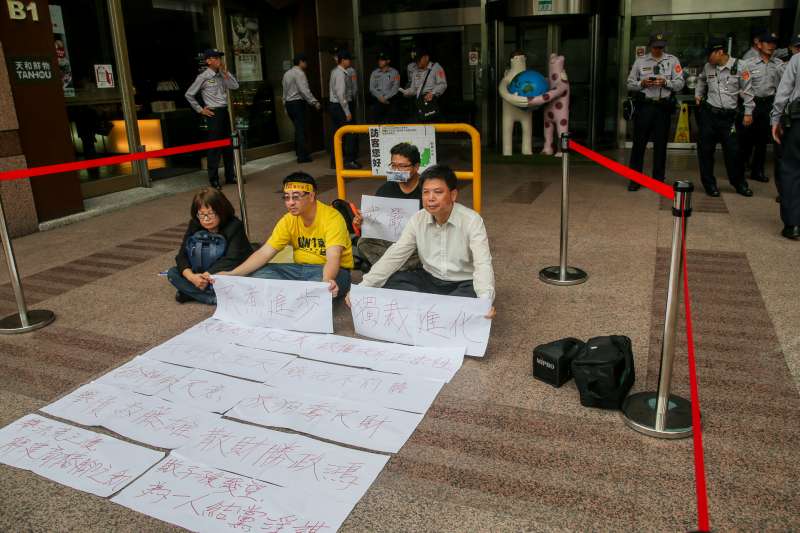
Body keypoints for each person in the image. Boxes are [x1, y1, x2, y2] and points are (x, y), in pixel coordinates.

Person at [348, 165, 495, 318]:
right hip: (429, 280)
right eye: (426, 192)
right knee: (388, 281)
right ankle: (440, 308)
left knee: (471, 299)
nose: (430, 198)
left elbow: (482, 263)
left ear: (453, 195)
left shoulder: (472, 221)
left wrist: (485, 300)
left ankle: (434, 307)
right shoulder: (418, 218)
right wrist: (363, 288)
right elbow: (395, 254)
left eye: (438, 192)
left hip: (463, 283)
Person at [213, 172, 353, 296]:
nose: (290, 203)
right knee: (258, 273)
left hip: (331, 271)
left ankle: (292, 294)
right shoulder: (288, 220)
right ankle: (296, 294)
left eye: (296, 197)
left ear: (311, 196)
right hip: (298, 270)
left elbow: (333, 257)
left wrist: (325, 283)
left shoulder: (332, 218)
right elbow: (265, 252)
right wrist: (232, 274)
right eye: (286, 197)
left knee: (321, 285)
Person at [694, 37, 755, 197]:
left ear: (720, 52)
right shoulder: (708, 67)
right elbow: (701, 80)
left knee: (733, 152)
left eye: (710, 54)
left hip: (729, 118)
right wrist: (698, 95)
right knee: (705, 151)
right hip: (709, 115)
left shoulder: (740, 66)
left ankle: (739, 184)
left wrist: (748, 112)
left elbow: (748, 91)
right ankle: (709, 185)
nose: (708, 58)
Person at [168, 188, 251, 304]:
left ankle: (192, 293)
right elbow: (182, 255)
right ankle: (211, 297)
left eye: (210, 213)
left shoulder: (234, 225)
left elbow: (232, 259)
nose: (206, 219)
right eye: (201, 215)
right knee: (173, 273)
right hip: (200, 272)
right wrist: (192, 277)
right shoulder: (195, 224)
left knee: (237, 278)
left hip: (222, 272)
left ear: (221, 211)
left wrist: (206, 276)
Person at [625, 32, 685, 191]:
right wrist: (642, 83)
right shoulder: (640, 61)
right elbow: (629, 84)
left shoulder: (672, 60)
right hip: (645, 106)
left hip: (663, 107)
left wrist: (666, 82)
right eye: (656, 47)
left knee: (660, 145)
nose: (659, 49)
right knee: (639, 144)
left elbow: (680, 84)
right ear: (650, 46)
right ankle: (635, 179)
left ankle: (658, 179)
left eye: (661, 47)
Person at [352, 142, 423, 270]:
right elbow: (376, 224)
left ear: (416, 167)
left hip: (416, 243)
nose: (397, 170)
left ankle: (386, 268)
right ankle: (397, 267)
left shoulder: (427, 189)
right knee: (363, 243)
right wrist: (362, 222)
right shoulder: (386, 189)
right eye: (393, 166)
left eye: (402, 166)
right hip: (390, 242)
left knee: (425, 251)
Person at [186, 49, 240, 190]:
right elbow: (189, 94)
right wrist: (200, 109)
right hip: (213, 114)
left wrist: (225, 72)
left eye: (219, 58)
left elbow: (235, 86)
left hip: (224, 112)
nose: (218, 60)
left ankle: (230, 176)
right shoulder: (203, 77)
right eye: (215, 58)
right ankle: (214, 180)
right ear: (208, 61)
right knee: (214, 148)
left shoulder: (222, 74)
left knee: (228, 146)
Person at [739, 31, 784, 185]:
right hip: (752, 103)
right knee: (746, 138)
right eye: (767, 42)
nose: (771, 46)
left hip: (768, 104)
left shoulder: (778, 64)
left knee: (762, 140)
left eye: (773, 43)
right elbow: (742, 86)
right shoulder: (748, 64)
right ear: (759, 44)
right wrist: (747, 106)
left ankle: (757, 171)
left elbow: (782, 87)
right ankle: (740, 168)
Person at [771, 50, 800, 240]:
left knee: (792, 169)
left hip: (799, 120)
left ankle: (793, 224)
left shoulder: (798, 59)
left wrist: (775, 119)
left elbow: (784, 91)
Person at [282, 53, 321, 164]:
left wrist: (284, 105)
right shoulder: (300, 73)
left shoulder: (287, 74)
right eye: (305, 62)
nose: (306, 64)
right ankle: (302, 156)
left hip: (289, 104)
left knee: (297, 128)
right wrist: (314, 102)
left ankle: (299, 152)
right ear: (301, 62)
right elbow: (304, 90)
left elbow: (284, 91)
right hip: (298, 103)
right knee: (301, 129)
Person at [329, 50, 360, 169]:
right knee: (350, 133)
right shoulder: (341, 74)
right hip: (340, 107)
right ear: (343, 60)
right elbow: (341, 94)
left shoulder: (335, 71)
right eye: (348, 59)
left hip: (335, 106)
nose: (350, 61)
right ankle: (349, 160)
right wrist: (347, 112)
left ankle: (335, 161)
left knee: (337, 133)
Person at [400, 50, 447, 122]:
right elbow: (414, 89)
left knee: (432, 126)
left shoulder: (436, 67)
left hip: (432, 102)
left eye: (419, 59)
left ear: (426, 58)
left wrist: (432, 93)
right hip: (419, 103)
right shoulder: (415, 71)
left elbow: (442, 84)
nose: (417, 62)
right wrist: (406, 92)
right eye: (416, 60)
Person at [369, 52, 400, 123]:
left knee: (391, 124)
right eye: (379, 60)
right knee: (377, 124)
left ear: (388, 61)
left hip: (390, 102)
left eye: (382, 60)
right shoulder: (374, 73)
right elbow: (372, 88)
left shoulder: (395, 72)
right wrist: (380, 97)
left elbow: (395, 88)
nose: (379, 61)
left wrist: (385, 98)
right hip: (378, 101)